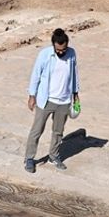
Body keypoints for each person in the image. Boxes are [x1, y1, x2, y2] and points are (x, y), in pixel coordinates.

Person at [25, 28, 80, 173]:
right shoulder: (44, 55)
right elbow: (36, 75)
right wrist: (32, 95)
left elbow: (74, 74)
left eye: (63, 49)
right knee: (36, 130)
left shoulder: (72, 54)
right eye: (58, 49)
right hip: (46, 100)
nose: (61, 52)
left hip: (64, 101)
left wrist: (75, 94)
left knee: (58, 131)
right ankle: (29, 158)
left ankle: (54, 156)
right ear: (53, 45)